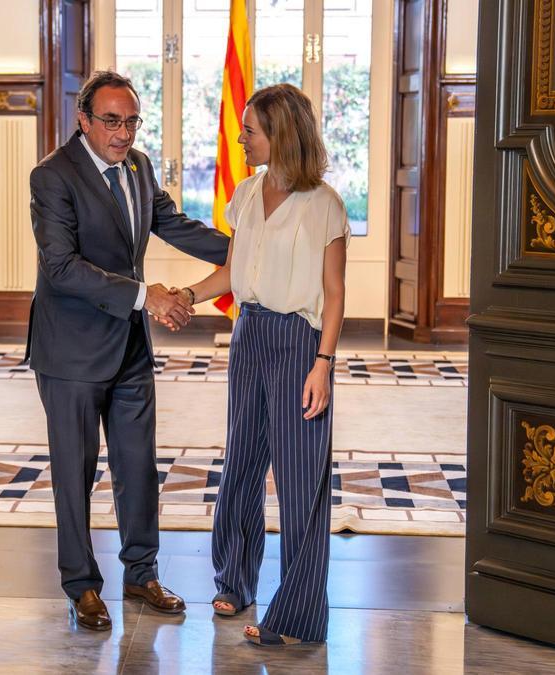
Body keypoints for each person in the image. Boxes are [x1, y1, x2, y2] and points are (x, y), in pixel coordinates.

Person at [27, 71, 231, 632]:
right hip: (70, 350)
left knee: (139, 469)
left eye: (131, 121)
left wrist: (255, 245)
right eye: (112, 121)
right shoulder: (52, 177)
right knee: (76, 471)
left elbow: (176, 226)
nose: (123, 133)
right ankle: (81, 585)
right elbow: (62, 268)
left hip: (130, 350)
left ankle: (141, 575)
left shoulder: (138, 167)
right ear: (84, 119)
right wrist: (149, 296)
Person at [168, 83, 347, 646]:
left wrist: (322, 363)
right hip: (248, 336)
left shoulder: (325, 204)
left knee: (299, 481)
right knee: (241, 461)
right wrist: (187, 297)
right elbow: (232, 271)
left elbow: (335, 294)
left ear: (281, 135)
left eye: (250, 130)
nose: (241, 138)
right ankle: (235, 578)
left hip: (300, 343)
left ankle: (297, 615)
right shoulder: (244, 195)